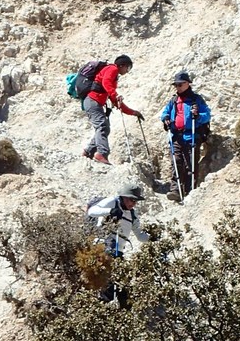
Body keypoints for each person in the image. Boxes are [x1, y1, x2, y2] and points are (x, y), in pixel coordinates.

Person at [86, 183, 150, 307]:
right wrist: (110, 211)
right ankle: (101, 309)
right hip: (103, 246)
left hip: (118, 252)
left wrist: (151, 237)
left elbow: (140, 236)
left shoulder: (132, 214)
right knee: (110, 284)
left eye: (135, 201)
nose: (133, 203)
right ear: (124, 197)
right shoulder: (112, 202)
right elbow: (92, 211)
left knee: (122, 286)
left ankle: (122, 313)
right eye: (132, 200)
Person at [82, 55, 144, 164]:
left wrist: (133, 112)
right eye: (128, 68)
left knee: (104, 128)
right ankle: (101, 153)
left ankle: (88, 152)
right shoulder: (113, 69)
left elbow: (117, 102)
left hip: (93, 102)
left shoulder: (112, 74)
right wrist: (115, 94)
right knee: (102, 126)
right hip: (93, 100)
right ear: (122, 65)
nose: (127, 71)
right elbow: (106, 83)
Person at [160, 71, 211, 201]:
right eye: (176, 85)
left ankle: (190, 192)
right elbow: (165, 112)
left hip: (192, 136)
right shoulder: (174, 100)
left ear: (188, 84)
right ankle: (175, 190)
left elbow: (207, 115)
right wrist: (165, 118)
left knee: (190, 165)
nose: (178, 87)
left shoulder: (196, 100)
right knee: (176, 163)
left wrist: (198, 116)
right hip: (176, 136)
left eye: (180, 84)